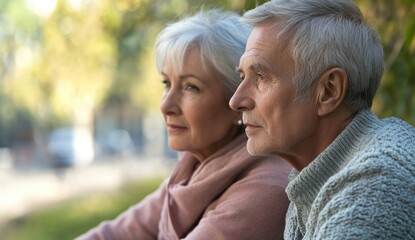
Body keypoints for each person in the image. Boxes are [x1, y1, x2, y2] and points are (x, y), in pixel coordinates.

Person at [77, 9, 291, 240]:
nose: (166, 106)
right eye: (167, 83)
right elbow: (117, 233)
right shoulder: (193, 169)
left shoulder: (264, 188)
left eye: (191, 87)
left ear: (237, 101)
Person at [229, 0, 415, 239]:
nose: (236, 100)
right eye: (243, 76)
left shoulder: (376, 187)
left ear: (329, 91)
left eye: (261, 76)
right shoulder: (318, 173)